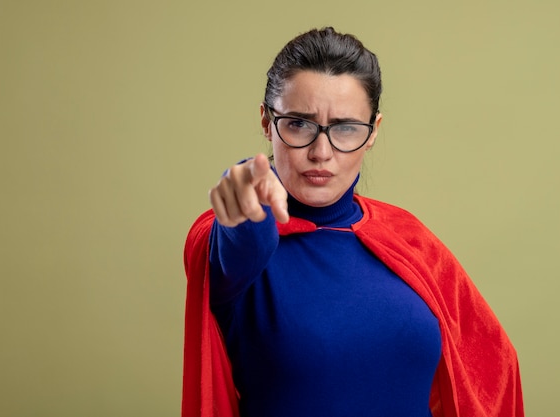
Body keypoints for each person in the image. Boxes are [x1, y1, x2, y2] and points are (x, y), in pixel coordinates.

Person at [182, 27, 523, 417]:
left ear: (373, 131)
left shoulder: (408, 239)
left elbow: (489, 371)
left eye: (345, 128)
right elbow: (241, 239)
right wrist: (246, 189)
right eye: (298, 124)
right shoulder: (231, 245)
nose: (321, 152)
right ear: (266, 121)